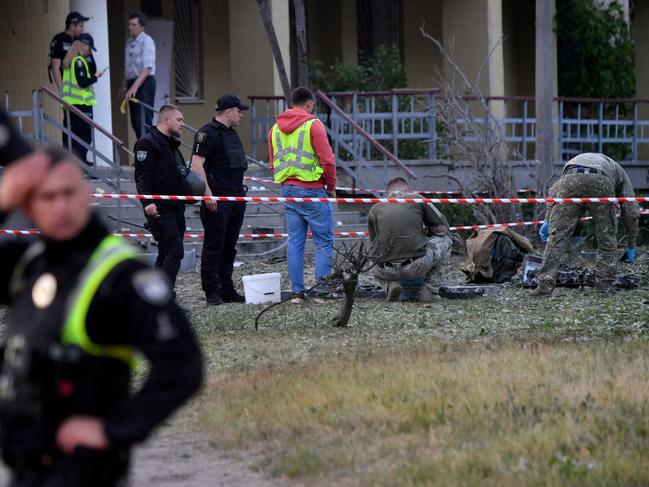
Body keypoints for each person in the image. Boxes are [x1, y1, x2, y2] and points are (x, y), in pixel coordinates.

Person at [0, 145, 203, 487]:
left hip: (83, 471)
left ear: (86, 194)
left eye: (68, 193)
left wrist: (114, 430)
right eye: (47, 197)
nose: (60, 207)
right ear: (30, 206)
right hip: (26, 465)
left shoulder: (119, 274)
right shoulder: (29, 263)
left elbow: (183, 366)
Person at [531, 152, 640, 296]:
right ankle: (604, 287)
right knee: (606, 238)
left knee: (556, 239)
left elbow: (553, 192)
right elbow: (631, 211)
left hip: (570, 177)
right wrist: (631, 245)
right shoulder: (618, 171)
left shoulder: (577, 161)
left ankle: (544, 287)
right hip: (601, 179)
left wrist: (548, 220)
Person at [267, 87, 337, 303]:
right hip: (312, 189)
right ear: (309, 104)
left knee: (295, 241)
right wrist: (331, 186)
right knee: (324, 242)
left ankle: (298, 293)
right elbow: (328, 160)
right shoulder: (313, 125)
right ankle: (322, 291)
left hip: (288, 189)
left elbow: (272, 163)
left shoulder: (275, 129)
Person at [190, 95, 249, 305]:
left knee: (229, 246)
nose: (241, 114)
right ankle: (211, 291)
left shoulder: (231, 134)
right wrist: (207, 195)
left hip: (236, 197)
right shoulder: (207, 133)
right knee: (215, 246)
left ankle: (227, 288)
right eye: (238, 110)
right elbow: (196, 166)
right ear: (228, 111)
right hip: (218, 199)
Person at [368, 176, 452, 302]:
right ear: (407, 190)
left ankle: (389, 286)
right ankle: (429, 290)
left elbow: (374, 243)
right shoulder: (417, 198)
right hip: (415, 265)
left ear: (387, 193)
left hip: (385, 269)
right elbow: (443, 229)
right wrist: (426, 232)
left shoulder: (374, 209)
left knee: (372, 257)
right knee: (446, 241)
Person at [134, 105, 188, 291]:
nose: (183, 124)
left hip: (176, 206)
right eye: (179, 120)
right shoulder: (147, 143)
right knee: (174, 252)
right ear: (166, 120)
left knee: (166, 252)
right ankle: (164, 296)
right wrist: (148, 201)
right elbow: (142, 175)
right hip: (160, 208)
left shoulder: (171, 144)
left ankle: (154, 295)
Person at [61, 35, 106, 164]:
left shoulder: (70, 60)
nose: (91, 52)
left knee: (71, 135)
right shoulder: (79, 61)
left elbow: (89, 69)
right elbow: (82, 82)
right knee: (85, 135)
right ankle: (79, 162)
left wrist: (89, 57)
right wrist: (96, 76)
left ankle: (73, 162)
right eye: (90, 48)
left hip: (70, 104)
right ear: (84, 46)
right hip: (81, 104)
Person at [120, 11, 156, 139]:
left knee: (144, 120)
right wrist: (125, 86)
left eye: (134, 25)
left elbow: (147, 68)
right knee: (135, 122)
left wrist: (134, 87)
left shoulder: (147, 41)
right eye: (129, 24)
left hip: (144, 82)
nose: (130, 27)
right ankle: (142, 149)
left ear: (142, 26)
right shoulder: (129, 42)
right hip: (132, 82)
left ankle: (148, 151)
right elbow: (128, 67)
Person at [49, 11, 89, 93]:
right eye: (80, 26)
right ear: (72, 26)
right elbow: (55, 67)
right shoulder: (59, 39)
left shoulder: (79, 40)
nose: (83, 29)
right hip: (68, 87)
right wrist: (62, 90)